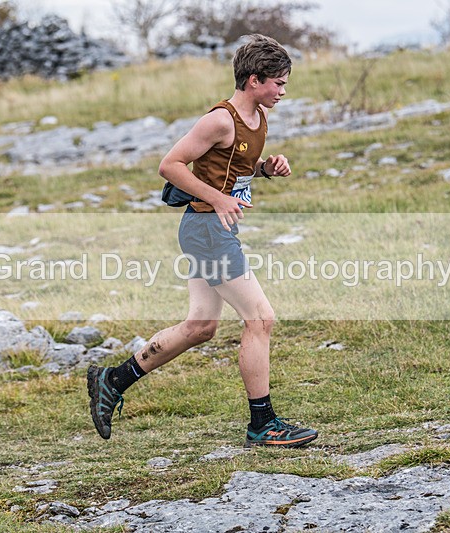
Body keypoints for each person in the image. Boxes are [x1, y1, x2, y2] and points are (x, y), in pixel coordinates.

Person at [87, 34, 318, 448]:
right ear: (253, 80)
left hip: (215, 229)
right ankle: (262, 424)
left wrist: (267, 168)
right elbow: (169, 165)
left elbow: (230, 171)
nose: (283, 91)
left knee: (200, 327)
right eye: (278, 83)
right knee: (260, 319)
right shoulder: (220, 119)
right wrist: (217, 198)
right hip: (207, 230)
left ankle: (113, 379)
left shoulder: (258, 118)